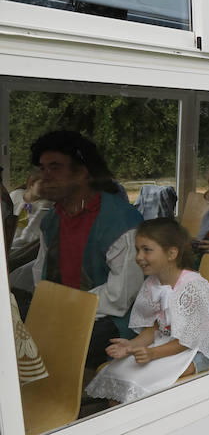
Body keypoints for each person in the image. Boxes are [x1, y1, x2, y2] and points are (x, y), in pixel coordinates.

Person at [29, 130, 145, 367]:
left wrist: (64, 308)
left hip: (112, 320)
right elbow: (40, 273)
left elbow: (120, 297)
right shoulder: (52, 218)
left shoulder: (120, 221)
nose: (45, 177)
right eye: (42, 169)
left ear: (82, 173)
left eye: (55, 168)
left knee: (49, 349)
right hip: (64, 311)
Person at [85, 218, 209, 404]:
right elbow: (154, 329)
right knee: (117, 374)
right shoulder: (152, 283)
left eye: (147, 250)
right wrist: (131, 346)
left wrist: (153, 354)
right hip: (167, 343)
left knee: (141, 385)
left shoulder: (192, 287)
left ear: (171, 253)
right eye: (137, 250)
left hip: (196, 350)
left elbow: (187, 342)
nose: (138, 257)